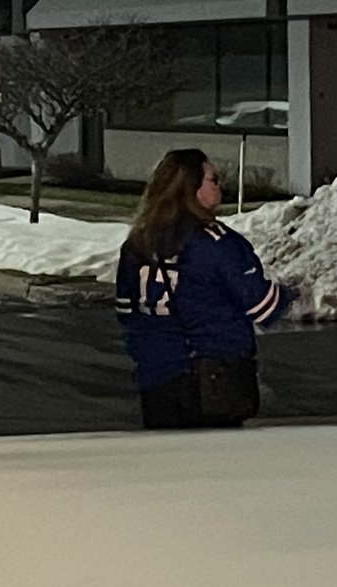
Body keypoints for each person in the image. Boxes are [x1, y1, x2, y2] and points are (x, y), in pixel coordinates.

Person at [115, 149, 297, 430]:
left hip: (155, 378)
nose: (219, 186)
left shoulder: (137, 244)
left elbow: (126, 311)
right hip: (213, 379)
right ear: (193, 189)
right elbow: (263, 305)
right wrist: (293, 292)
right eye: (213, 179)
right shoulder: (217, 243)